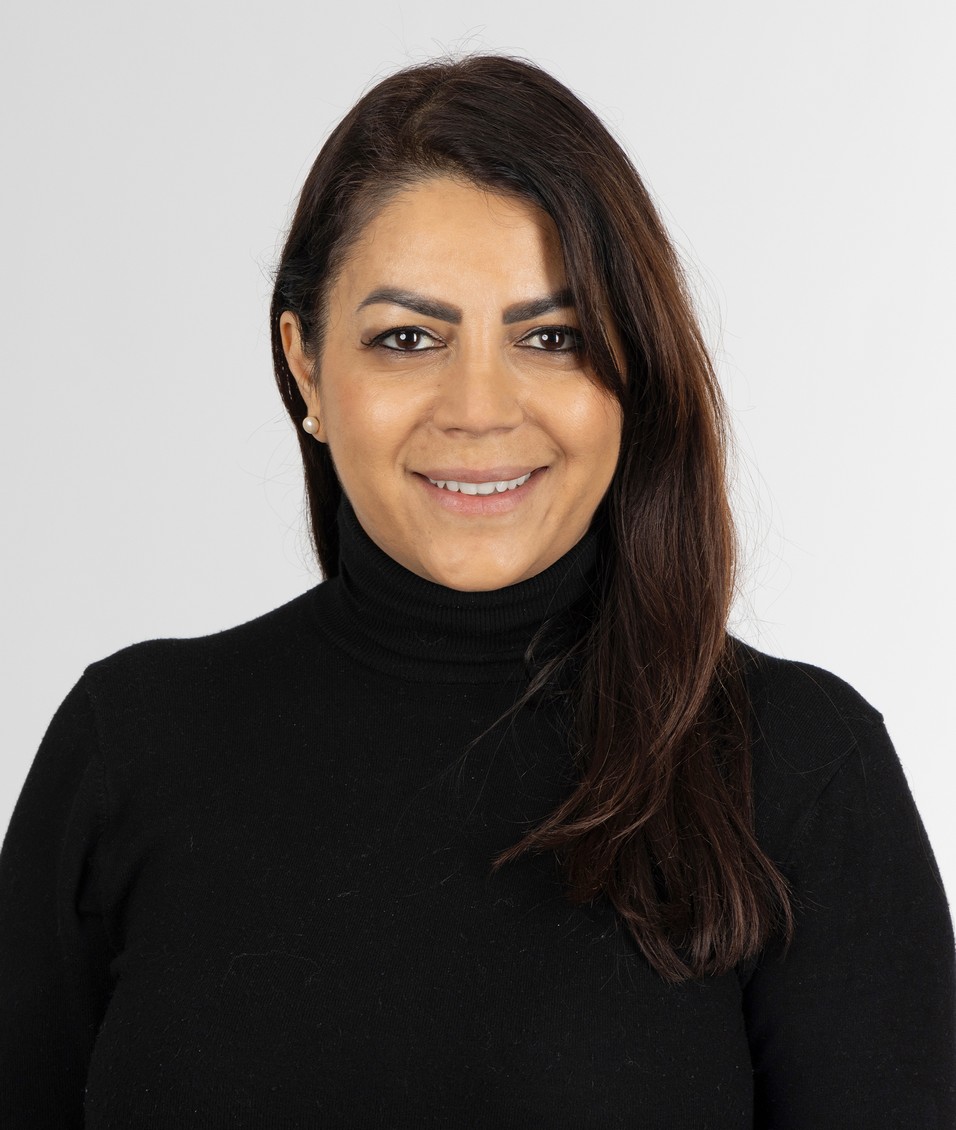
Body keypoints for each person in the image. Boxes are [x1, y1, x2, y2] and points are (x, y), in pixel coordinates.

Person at [1, 53, 953, 1128]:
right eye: (408, 338)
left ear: (633, 369)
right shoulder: (129, 747)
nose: (479, 408)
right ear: (306, 365)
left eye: (551, 337)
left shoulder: (799, 768)